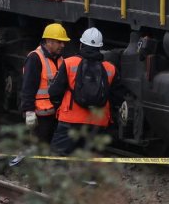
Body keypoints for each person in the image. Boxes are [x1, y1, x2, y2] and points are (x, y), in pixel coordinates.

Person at [46, 27, 126, 155]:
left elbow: (54, 92)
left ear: (81, 44)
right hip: (97, 123)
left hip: (70, 120)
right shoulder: (110, 68)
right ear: (100, 47)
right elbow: (118, 97)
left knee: (57, 159)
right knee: (88, 163)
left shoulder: (69, 63)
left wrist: (59, 108)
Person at [19, 23, 71, 148]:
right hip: (39, 115)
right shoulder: (35, 58)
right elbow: (27, 87)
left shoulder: (60, 59)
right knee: (38, 147)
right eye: (59, 42)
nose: (62, 45)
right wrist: (29, 111)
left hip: (53, 114)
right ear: (49, 41)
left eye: (63, 42)